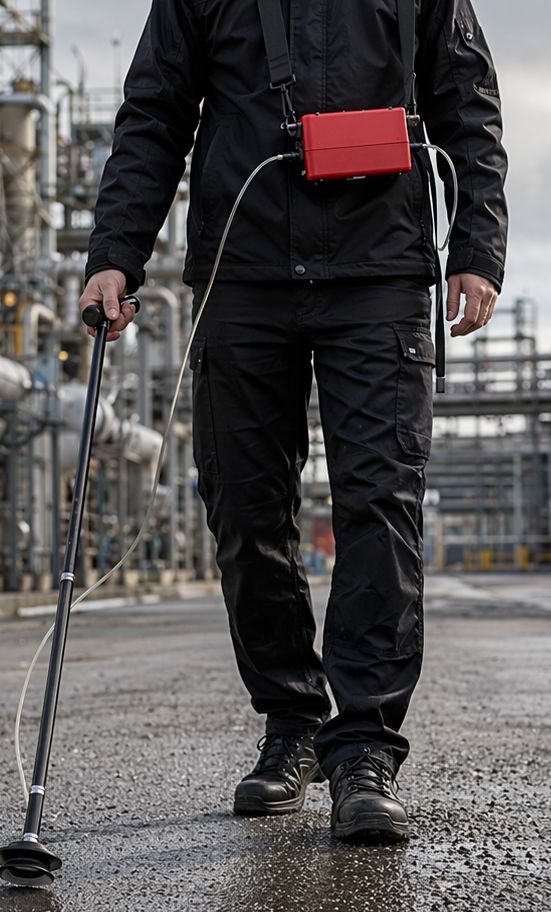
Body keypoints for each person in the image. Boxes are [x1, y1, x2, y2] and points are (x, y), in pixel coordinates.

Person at [80, 0, 508, 842]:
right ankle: (291, 723)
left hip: (379, 269)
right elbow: (155, 112)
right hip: (242, 268)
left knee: (379, 503)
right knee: (243, 508)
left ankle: (364, 750)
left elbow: (467, 99)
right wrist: (114, 252)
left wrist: (477, 247)